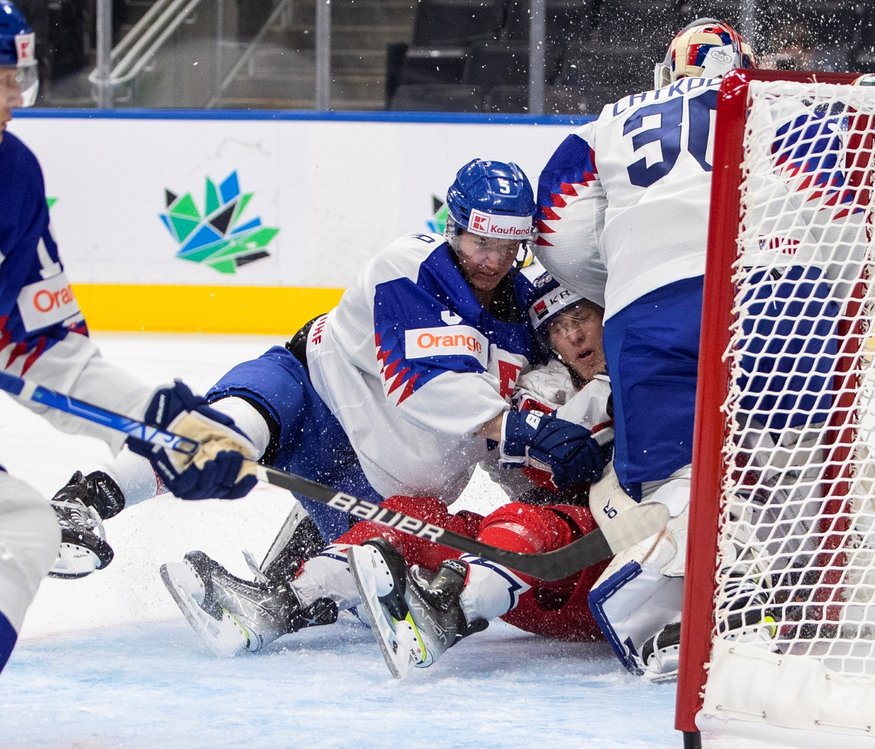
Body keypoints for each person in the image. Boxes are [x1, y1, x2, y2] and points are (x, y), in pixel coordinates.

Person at [52, 161, 607, 618]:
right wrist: (528, 432)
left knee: (362, 584)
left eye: (509, 244)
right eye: (481, 240)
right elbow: (425, 382)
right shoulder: (408, 266)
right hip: (311, 396)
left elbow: (499, 433)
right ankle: (85, 502)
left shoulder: (528, 329)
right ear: (453, 225)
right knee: (230, 430)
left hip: (378, 478)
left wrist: (540, 487)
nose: (494, 259)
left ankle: (282, 597)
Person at [530, 18, 851, 680]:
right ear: (746, 62)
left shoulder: (606, 123)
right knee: (787, 455)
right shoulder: (780, 97)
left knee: (676, 477)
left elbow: (554, 229)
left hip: (652, 306)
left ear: (667, 71)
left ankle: (689, 601)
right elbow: (835, 201)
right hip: (777, 287)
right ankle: (778, 597)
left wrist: (624, 274)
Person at [157, 279, 614, 665]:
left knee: (535, 520)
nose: (574, 335)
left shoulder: (651, 375)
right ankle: (280, 604)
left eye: (582, 318)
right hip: (540, 579)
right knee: (409, 514)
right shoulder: (537, 388)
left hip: (606, 567)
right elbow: (529, 471)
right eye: (558, 326)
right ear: (546, 341)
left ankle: (448, 611)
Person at [0, 0, 256, 674]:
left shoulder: (14, 176)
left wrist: (159, 425)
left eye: (13, 80)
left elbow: (37, 346)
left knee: (18, 531)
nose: (9, 101)